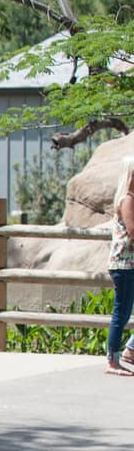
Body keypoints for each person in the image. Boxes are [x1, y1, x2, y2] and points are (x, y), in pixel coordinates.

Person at [105, 156, 134, 376]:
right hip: (125, 264)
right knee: (121, 312)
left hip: (129, 263)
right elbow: (132, 231)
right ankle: (112, 361)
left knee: (122, 311)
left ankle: (130, 350)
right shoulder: (127, 199)